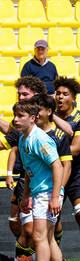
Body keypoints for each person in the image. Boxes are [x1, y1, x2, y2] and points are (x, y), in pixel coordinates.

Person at [0, 76, 47, 245]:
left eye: (25, 94)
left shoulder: (44, 120)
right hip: (27, 177)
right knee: (17, 224)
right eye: (19, 94)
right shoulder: (23, 122)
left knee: (37, 229)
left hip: (45, 182)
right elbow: (8, 136)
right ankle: (34, 260)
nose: (20, 97)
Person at [14, 101, 67, 261]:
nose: (15, 119)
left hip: (47, 193)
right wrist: (26, 195)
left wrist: (55, 197)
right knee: (49, 238)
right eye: (15, 115)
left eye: (21, 116)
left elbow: (57, 166)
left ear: (33, 118)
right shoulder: (23, 139)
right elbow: (29, 171)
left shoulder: (40, 139)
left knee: (39, 236)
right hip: (39, 192)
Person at [54, 77, 80, 230]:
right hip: (55, 172)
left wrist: (51, 152)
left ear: (73, 98)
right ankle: (56, 254)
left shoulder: (78, 118)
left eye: (65, 94)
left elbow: (76, 148)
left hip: (76, 172)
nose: (60, 97)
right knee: (52, 219)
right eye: (58, 93)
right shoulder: (49, 117)